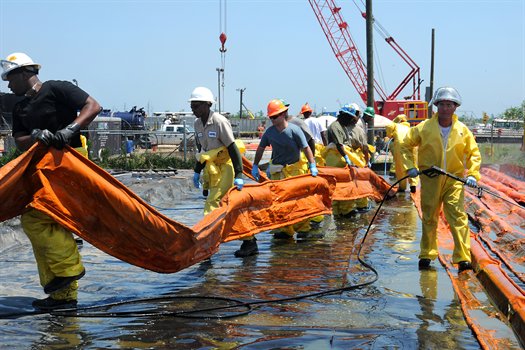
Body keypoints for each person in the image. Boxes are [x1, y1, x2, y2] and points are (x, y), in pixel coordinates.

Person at [2, 52, 101, 310]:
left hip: (71, 159)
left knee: (41, 217)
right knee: (47, 220)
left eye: (10, 78)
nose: (7, 84)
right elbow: (20, 139)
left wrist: (70, 129)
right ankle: (62, 295)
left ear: (25, 73)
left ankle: (68, 270)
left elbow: (93, 106)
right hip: (44, 164)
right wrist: (36, 136)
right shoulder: (20, 106)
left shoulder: (57, 88)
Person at [401, 86, 481, 272]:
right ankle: (427, 254)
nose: (445, 108)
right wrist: (410, 167)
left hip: (453, 180)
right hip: (431, 179)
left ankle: (463, 257)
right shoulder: (424, 127)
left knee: (458, 217)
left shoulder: (463, 130)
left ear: (455, 107)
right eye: (442, 104)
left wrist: (472, 174)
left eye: (449, 104)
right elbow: (405, 145)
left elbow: (473, 153)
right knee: (429, 217)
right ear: (436, 106)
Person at [251, 99, 319, 239]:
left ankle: (303, 228)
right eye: (271, 117)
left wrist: (312, 164)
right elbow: (260, 149)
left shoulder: (295, 130)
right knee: (279, 202)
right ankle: (283, 230)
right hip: (278, 172)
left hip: (294, 170)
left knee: (298, 201)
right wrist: (255, 165)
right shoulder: (269, 133)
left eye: (275, 117)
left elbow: (306, 148)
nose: (273, 120)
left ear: (283, 114)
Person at [190, 86, 244, 215]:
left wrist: (239, 174)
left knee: (213, 202)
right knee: (223, 202)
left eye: (196, 106)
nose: (193, 110)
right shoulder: (197, 124)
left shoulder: (219, 122)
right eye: (192, 106)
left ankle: (208, 230)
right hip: (211, 169)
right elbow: (203, 151)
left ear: (207, 104)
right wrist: (197, 171)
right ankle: (242, 233)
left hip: (225, 168)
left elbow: (232, 148)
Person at [385, 114, 418, 193]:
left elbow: (389, 126)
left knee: (400, 168)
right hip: (413, 146)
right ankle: (413, 184)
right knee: (413, 165)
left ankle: (402, 187)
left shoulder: (396, 125)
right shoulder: (409, 128)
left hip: (400, 146)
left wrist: (390, 135)